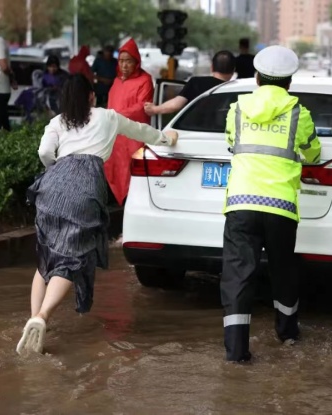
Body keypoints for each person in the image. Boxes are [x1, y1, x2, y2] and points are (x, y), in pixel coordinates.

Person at [16, 74, 178, 355]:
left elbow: (44, 152)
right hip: (84, 189)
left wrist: (56, 170)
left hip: (51, 184)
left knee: (47, 256)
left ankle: (34, 317)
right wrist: (167, 137)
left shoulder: (57, 121)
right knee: (71, 259)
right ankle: (42, 318)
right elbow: (142, 132)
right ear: (92, 96)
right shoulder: (107, 117)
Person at [220, 45, 321, 363]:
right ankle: (287, 333)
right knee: (282, 270)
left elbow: (230, 143)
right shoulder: (298, 113)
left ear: (256, 78)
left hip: (241, 203)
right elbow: (314, 153)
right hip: (281, 208)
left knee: (238, 276)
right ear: (289, 82)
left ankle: (237, 353)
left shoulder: (237, 108)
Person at [104, 38, 154, 206]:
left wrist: (114, 115)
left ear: (136, 62)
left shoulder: (145, 80)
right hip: (115, 138)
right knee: (113, 173)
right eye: (121, 61)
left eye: (128, 61)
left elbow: (141, 107)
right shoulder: (117, 81)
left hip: (134, 138)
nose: (124, 65)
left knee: (132, 176)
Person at [144, 50, 236, 117]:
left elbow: (175, 105)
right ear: (233, 70)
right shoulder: (238, 88)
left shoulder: (196, 83)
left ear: (212, 67)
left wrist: (155, 109)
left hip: (193, 132)